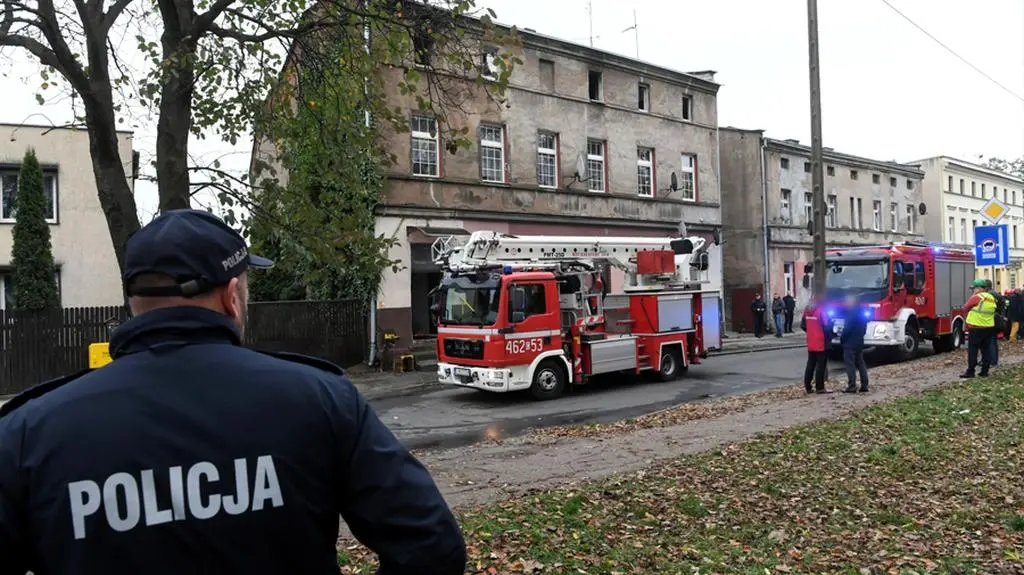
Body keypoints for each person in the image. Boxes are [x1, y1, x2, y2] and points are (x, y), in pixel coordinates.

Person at [0, 209, 466, 574]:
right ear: (230, 295)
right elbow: (431, 546)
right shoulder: (319, 399)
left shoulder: (28, 433)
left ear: (133, 301)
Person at [961, 278, 998, 379]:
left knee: (973, 350)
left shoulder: (977, 297)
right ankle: (984, 371)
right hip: (988, 327)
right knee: (986, 350)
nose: (973, 291)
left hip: (976, 327)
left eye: (974, 288)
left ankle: (970, 371)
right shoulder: (991, 297)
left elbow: (965, 307)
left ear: (979, 288)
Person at [839, 294, 869, 393]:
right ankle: (864, 384)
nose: (846, 303)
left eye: (848, 301)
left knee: (850, 365)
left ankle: (852, 386)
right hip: (859, 342)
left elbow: (847, 329)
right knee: (861, 363)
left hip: (849, 343)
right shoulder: (861, 312)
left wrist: (842, 339)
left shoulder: (851, 313)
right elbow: (864, 329)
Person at [800, 299, 831, 394]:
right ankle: (820, 387)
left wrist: (811, 332)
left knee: (810, 365)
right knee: (820, 366)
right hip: (821, 342)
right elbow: (827, 326)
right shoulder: (821, 310)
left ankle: (808, 386)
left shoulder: (807, 310)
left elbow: (803, 325)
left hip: (811, 341)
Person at [986, 279, 1001, 365]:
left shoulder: (988, 295)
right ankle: (994, 359)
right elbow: (1003, 305)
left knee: (989, 341)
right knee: (993, 341)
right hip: (997, 319)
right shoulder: (997, 294)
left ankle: (991, 360)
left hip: (989, 319)